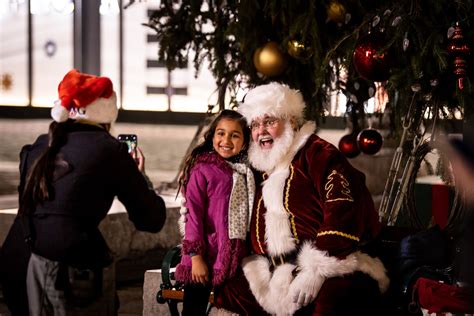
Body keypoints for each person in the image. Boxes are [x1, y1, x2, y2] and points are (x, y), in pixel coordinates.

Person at [213, 82, 390, 315]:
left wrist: (317, 270)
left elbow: (343, 208)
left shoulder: (319, 154)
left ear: (292, 122)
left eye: (270, 121)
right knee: (223, 290)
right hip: (271, 272)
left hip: (333, 263)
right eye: (255, 124)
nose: (261, 131)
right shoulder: (257, 164)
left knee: (329, 301)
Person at [0, 69, 167, 315]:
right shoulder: (111, 150)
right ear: (107, 113)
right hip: (67, 274)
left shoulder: (37, 145)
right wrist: (140, 176)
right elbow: (151, 219)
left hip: (16, 263)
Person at [174, 109, 254, 316]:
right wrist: (196, 257)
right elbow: (192, 216)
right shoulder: (202, 169)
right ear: (212, 136)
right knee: (194, 311)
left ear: (244, 142)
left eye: (234, 135)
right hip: (205, 257)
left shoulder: (246, 172)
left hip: (234, 255)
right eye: (221, 133)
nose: (226, 140)